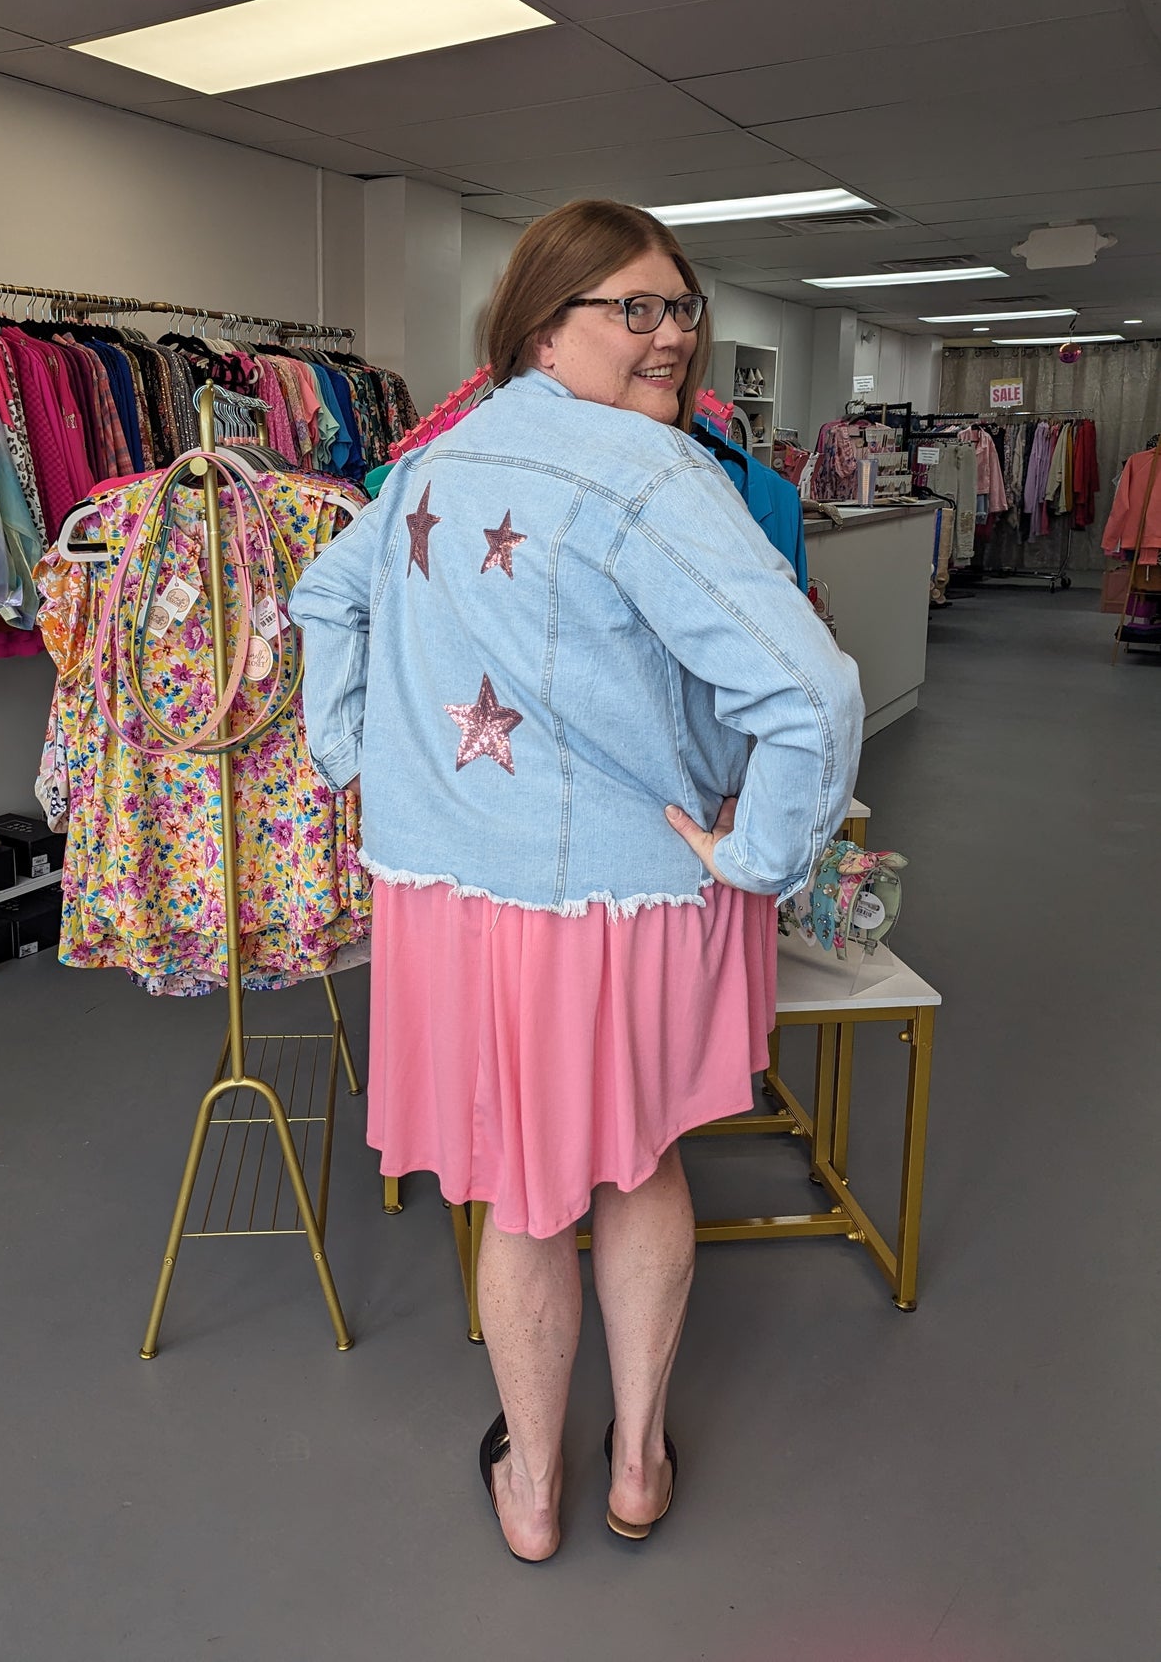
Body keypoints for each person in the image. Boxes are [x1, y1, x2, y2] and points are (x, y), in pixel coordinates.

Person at [288, 199, 863, 1561]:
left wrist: (360, 758)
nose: (669, 337)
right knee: (637, 1165)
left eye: (680, 309)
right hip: (622, 893)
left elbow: (325, 598)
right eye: (635, 310)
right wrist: (766, 856)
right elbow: (814, 693)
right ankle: (636, 1465)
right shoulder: (656, 477)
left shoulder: (432, 466)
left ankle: (534, 1491)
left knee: (519, 1190)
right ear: (541, 325)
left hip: (456, 901)